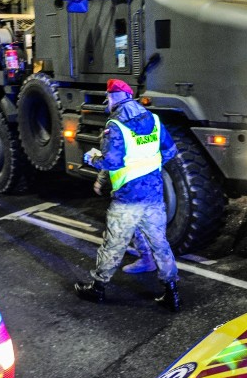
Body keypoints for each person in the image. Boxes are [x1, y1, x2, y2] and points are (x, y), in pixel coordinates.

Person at [75, 79, 181, 311]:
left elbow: (112, 161)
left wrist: (91, 158)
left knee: (113, 245)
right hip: (153, 195)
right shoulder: (153, 119)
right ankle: (172, 293)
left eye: (108, 97)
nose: (107, 101)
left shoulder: (115, 125)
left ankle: (98, 288)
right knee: (160, 244)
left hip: (127, 199)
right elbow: (171, 152)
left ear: (114, 97)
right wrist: (149, 168)